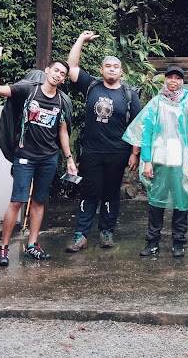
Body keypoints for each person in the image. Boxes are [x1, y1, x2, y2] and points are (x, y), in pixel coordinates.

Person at [0, 37, 77, 266]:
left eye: (62, 74)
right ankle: (4, 248)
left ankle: (32, 245)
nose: (58, 75)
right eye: (55, 70)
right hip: (25, 157)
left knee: (39, 201)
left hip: (48, 158)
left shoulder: (61, 101)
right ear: (47, 70)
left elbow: (63, 132)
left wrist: (68, 159)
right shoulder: (28, 90)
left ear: (64, 80)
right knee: (17, 201)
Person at [65, 31, 142, 251]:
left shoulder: (129, 94)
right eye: (107, 66)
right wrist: (80, 39)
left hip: (118, 152)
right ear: (101, 70)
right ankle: (81, 234)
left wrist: (134, 153)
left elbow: (139, 125)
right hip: (92, 151)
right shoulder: (91, 86)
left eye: (115, 67)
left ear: (121, 71)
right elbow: (71, 68)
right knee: (89, 192)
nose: (111, 69)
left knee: (110, 193)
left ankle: (107, 232)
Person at [123, 65, 188, 258]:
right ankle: (152, 242)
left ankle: (179, 243)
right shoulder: (156, 103)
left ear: (182, 82)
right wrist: (146, 160)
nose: (173, 81)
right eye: (169, 77)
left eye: (177, 78)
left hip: (182, 162)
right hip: (159, 160)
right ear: (165, 80)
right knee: (156, 202)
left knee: (182, 202)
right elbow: (146, 133)